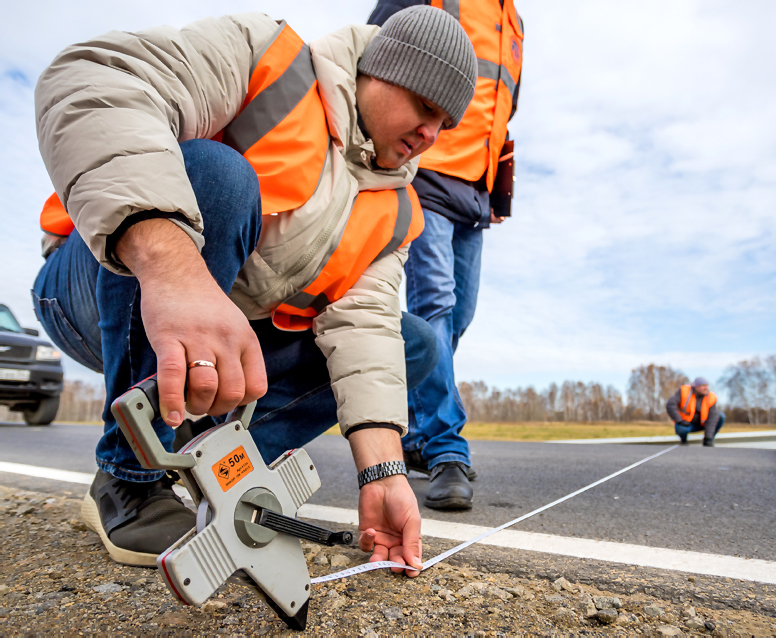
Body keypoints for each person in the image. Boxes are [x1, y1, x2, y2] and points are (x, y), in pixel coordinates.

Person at [30, 7, 477, 575]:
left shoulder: (395, 209)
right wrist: (173, 269)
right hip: (98, 286)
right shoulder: (269, 59)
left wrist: (382, 475)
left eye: (446, 126)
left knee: (413, 341)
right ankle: (130, 479)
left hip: (216, 341)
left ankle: (210, 466)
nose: (431, 135)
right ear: (381, 70)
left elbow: (364, 330)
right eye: (425, 108)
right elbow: (92, 78)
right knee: (217, 175)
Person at [368, 0, 523, 511]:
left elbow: (500, 113)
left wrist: (499, 189)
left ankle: (414, 432)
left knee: (458, 316)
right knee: (434, 301)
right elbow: (374, 60)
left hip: (475, 196)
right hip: (427, 174)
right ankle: (445, 448)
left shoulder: (515, 23)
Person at [666, 377, 726, 446]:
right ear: (696, 387)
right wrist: (679, 420)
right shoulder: (685, 392)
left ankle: (709, 440)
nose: (705, 388)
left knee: (720, 416)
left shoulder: (711, 398)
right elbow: (671, 405)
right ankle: (684, 441)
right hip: (685, 424)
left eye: (706, 386)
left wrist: (708, 438)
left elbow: (712, 419)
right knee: (681, 429)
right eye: (702, 386)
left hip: (702, 424)